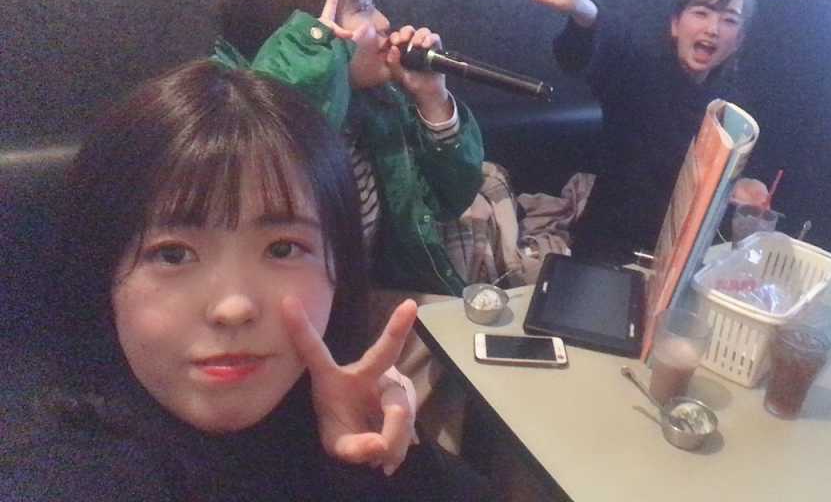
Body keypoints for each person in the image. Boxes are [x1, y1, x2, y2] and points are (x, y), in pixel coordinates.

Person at [0, 61, 489, 500]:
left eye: (282, 249)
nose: (233, 307)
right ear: (102, 275)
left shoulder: (334, 419)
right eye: (173, 254)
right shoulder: (65, 467)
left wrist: (377, 466)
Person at [213, 0, 486, 296]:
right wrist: (311, 71)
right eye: (364, 8)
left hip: (372, 299)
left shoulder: (375, 104)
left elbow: (448, 202)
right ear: (308, 35)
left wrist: (432, 98)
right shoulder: (223, 115)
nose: (384, 21)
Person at [529, 0, 764, 263]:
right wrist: (581, 9)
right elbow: (583, 53)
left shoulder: (734, 103)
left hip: (688, 257)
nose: (713, 29)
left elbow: (735, 178)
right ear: (675, 24)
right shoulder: (640, 70)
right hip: (610, 249)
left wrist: (744, 188)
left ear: (738, 40)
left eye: (729, 20)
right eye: (701, 13)